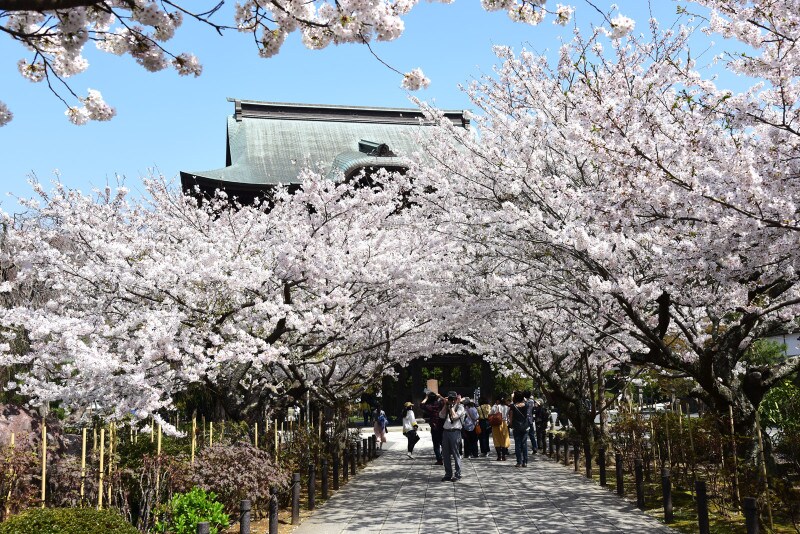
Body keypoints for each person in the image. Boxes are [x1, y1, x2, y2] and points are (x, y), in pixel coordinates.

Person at [439, 391, 465, 481]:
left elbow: (454, 417)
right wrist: (445, 406)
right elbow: (441, 415)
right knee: (445, 454)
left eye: (453, 399)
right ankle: (448, 474)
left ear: (456, 399)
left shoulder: (460, 407)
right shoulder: (447, 406)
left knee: (455, 453)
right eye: (450, 398)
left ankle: (458, 474)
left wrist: (452, 407)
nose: (451, 400)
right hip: (446, 431)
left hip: (455, 432)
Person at [421, 391, 445, 465]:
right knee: (443, 443)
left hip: (434, 426)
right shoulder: (440, 404)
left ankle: (439, 459)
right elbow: (446, 401)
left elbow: (421, 405)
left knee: (436, 444)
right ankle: (444, 455)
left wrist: (426, 397)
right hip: (442, 425)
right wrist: (440, 396)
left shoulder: (429, 406)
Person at [510, 392, 530, 467]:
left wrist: (511, 424)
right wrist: (524, 399)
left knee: (517, 444)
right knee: (524, 444)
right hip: (525, 426)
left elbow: (511, 417)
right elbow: (526, 401)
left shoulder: (513, 406)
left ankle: (519, 462)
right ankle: (525, 462)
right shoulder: (526, 405)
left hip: (516, 426)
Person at [490, 395, 510, 461]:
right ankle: (504, 456)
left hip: (496, 424)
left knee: (496, 439)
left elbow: (490, 414)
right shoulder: (507, 407)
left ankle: (499, 456)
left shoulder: (495, 406)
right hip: (504, 424)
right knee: (504, 439)